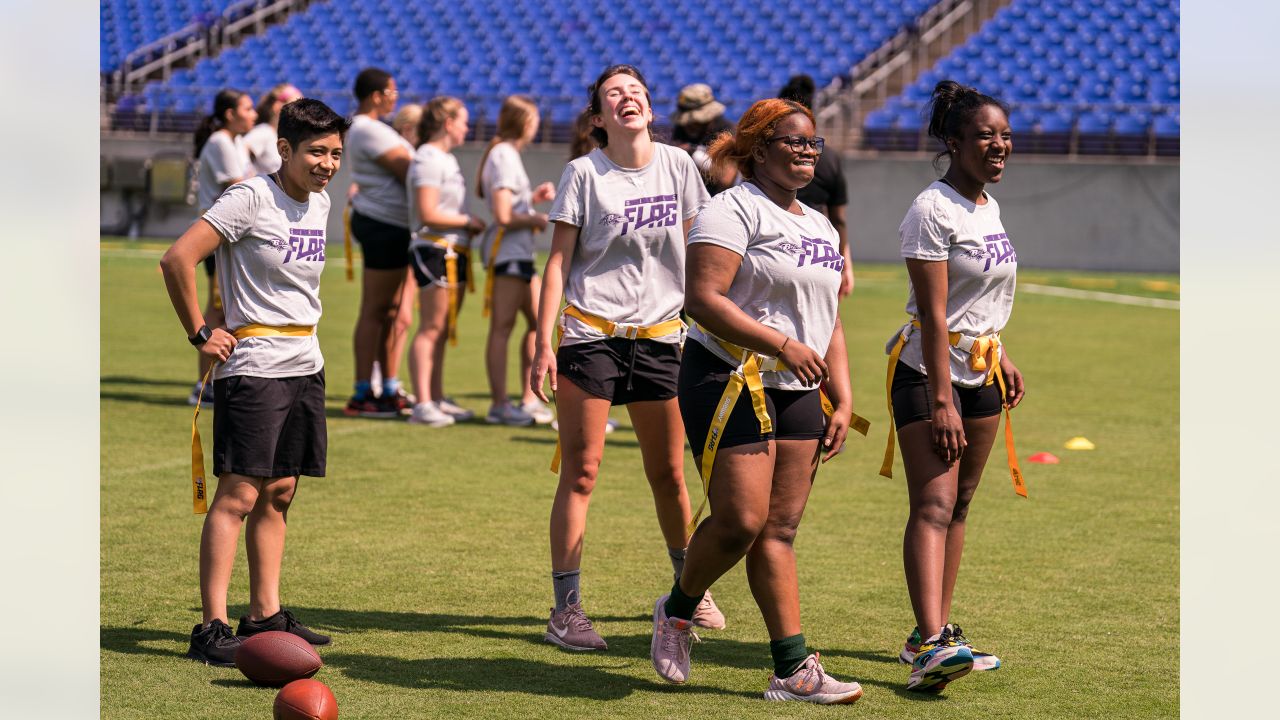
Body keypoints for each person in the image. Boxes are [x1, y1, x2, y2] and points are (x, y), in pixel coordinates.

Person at [646, 98, 864, 705]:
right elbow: (703, 298)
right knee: (742, 521)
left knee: (780, 529)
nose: (806, 151)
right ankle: (680, 609)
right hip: (726, 374)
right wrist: (783, 343)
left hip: (797, 384)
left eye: (813, 144)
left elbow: (832, 321)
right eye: (793, 142)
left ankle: (792, 671)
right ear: (758, 149)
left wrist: (840, 394)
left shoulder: (821, 225)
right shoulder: (731, 209)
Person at [530, 64, 724, 651]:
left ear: (651, 109)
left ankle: (689, 590)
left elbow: (699, 251)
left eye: (636, 91)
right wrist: (544, 342)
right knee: (581, 471)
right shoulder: (583, 173)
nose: (627, 99)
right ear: (598, 117)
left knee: (668, 473)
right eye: (614, 94)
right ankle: (566, 610)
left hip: (664, 337)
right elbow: (559, 262)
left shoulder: (680, 166)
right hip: (592, 334)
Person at [160, 98, 350, 667]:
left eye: (336, 153)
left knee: (281, 492)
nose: (327, 164)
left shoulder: (319, 201)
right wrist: (200, 332)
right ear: (285, 149)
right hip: (255, 368)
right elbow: (177, 259)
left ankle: (264, 613)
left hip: (305, 363)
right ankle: (212, 627)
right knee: (238, 496)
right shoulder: (248, 197)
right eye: (316, 151)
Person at [880, 80, 1025, 692]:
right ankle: (931, 645)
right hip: (928, 375)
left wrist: (1002, 353)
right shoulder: (931, 208)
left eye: (1005, 134)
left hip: (983, 372)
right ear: (953, 142)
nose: (999, 145)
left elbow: (978, 299)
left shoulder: (988, 206)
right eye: (985, 135)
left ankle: (931, 634)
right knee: (933, 506)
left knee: (960, 506)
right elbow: (936, 316)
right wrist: (942, 399)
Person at [403, 96, 486, 426]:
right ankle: (423, 401)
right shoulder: (427, 158)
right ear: (448, 122)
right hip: (435, 249)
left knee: (440, 328)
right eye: (463, 120)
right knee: (431, 328)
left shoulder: (443, 158)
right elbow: (428, 212)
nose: (466, 127)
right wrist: (468, 221)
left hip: (451, 249)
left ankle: (435, 396)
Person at [477, 95, 558, 426]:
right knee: (502, 327)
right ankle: (499, 404)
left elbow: (511, 206)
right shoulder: (504, 155)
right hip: (507, 252)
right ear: (525, 122)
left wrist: (530, 200)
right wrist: (537, 219)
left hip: (518, 253)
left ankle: (528, 398)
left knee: (539, 324)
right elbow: (503, 214)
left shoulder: (506, 154)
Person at [344, 68, 417, 418]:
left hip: (393, 224)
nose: (396, 96)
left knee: (389, 311)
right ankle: (362, 391)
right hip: (383, 224)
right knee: (375, 309)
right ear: (376, 95)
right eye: (392, 90)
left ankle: (388, 386)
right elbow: (410, 171)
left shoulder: (374, 128)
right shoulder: (367, 129)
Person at [188, 88, 257, 406]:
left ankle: (219, 379)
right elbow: (239, 188)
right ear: (230, 114)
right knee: (218, 307)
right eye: (247, 107)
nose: (253, 113)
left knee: (226, 307)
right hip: (219, 234)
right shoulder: (220, 141)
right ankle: (205, 385)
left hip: (233, 235)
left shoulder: (238, 142)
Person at [778, 74, 855, 298]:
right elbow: (838, 218)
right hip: (818, 253)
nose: (808, 153)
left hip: (782, 251)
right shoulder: (829, 158)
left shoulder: (765, 158)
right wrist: (844, 264)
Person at [670, 83, 737, 195]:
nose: (689, 126)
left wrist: (693, 153)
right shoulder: (680, 130)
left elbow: (726, 179)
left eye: (695, 122)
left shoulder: (726, 132)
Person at [243, 83, 303, 177]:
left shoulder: (283, 137)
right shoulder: (264, 132)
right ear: (277, 107)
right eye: (296, 106)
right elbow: (240, 152)